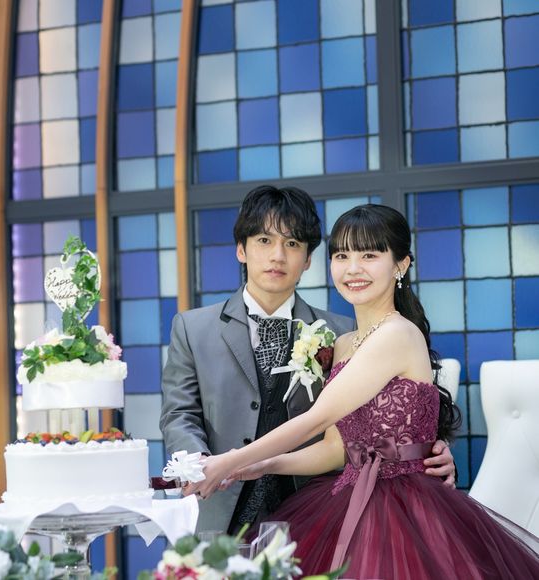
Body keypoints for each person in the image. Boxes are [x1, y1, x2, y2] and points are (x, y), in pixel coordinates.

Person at [194, 204, 539, 578]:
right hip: (347, 496)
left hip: (404, 506)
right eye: (342, 255)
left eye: (369, 255)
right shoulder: (343, 343)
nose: (353, 268)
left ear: (400, 265)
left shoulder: (398, 333)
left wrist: (230, 461)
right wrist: (264, 465)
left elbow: (317, 418)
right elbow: (334, 448)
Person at [161, 187, 455, 535]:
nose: (277, 256)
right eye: (264, 240)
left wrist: (422, 450)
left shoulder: (340, 330)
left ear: (308, 259)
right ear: (241, 249)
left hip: (316, 509)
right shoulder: (344, 341)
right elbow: (179, 415)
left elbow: (332, 418)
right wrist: (204, 467)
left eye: (292, 243)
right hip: (222, 505)